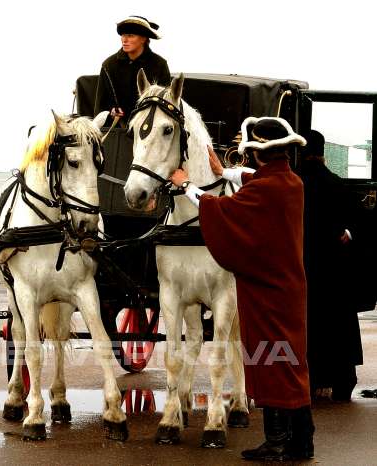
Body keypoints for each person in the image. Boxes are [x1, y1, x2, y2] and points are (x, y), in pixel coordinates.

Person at [170, 117, 314, 461]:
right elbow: (251, 178)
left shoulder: (267, 190)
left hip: (267, 293)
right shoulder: (291, 182)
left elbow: (220, 209)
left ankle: (278, 444)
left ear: (256, 152)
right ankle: (300, 441)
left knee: (270, 362)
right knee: (291, 364)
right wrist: (224, 172)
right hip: (288, 289)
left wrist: (187, 184)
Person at [299, 130, 363, 402]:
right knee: (337, 321)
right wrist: (346, 234)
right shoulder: (337, 184)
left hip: (301, 265)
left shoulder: (295, 184)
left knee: (307, 321)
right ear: (323, 153)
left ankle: (310, 379)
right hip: (334, 269)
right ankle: (342, 379)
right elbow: (355, 223)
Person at [94, 15, 171, 126]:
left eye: (130, 35)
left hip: (150, 128)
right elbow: (100, 107)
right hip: (117, 130)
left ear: (143, 39)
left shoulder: (159, 64)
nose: (124, 40)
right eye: (123, 35)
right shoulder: (109, 65)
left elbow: (166, 102)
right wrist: (111, 112)